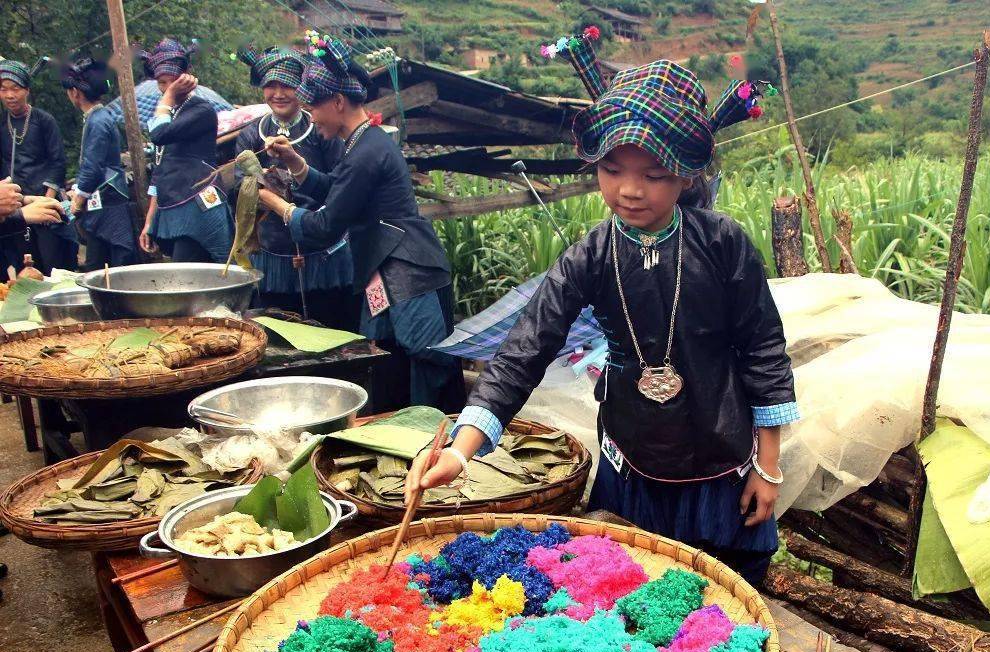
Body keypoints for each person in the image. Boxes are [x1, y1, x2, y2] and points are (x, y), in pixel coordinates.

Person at [406, 59, 798, 586]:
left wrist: (767, 466)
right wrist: (459, 449)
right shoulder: (590, 256)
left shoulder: (721, 243)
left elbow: (763, 351)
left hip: (719, 453)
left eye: (653, 175)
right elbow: (524, 350)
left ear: (685, 174)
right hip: (632, 454)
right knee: (630, 585)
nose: (630, 191)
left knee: (731, 587)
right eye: (612, 170)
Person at [257, 32, 464, 411]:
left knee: (425, 356)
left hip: (406, 268)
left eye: (314, 107)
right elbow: (338, 189)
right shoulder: (362, 143)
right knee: (384, 354)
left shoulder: (365, 153)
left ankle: (439, 439)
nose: (312, 116)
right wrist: (297, 165)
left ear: (337, 102)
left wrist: (276, 205)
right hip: (384, 263)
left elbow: (326, 226)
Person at [234, 44, 357, 329]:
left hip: (324, 251)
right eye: (270, 85)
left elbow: (338, 184)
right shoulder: (251, 135)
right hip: (273, 250)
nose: (278, 93)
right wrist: (264, 190)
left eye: (287, 85)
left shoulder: (322, 129)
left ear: (301, 89)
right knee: (279, 328)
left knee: (332, 324)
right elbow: (242, 186)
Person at [138, 39, 233, 263]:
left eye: (173, 82)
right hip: (175, 203)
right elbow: (160, 169)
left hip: (198, 207)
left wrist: (167, 98)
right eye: (162, 83)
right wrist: (150, 221)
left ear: (187, 76)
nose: (168, 88)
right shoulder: (169, 113)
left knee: (188, 277)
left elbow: (159, 135)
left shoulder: (200, 109)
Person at [0, 59, 77, 273]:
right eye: (3, 89)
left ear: (27, 90)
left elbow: (57, 161)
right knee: (20, 267)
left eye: (15, 89)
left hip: (43, 200)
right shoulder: (1, 123)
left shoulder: (44, 120)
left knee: (52, 265)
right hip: (15, 206)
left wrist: (48, 199)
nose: (9, 95)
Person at [61, 57, 136, 269]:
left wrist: (78, 198)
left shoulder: (98, 120)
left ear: (75, 92)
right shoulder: (100, 117)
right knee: (102, 256)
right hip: (105, 193)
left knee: (106, 258)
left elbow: (92, 165)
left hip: (107, 195)